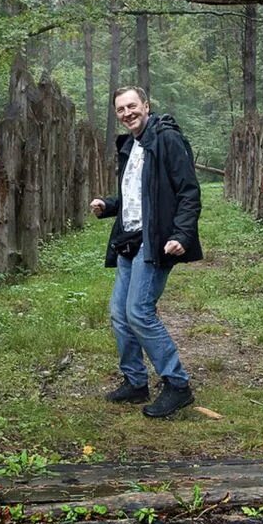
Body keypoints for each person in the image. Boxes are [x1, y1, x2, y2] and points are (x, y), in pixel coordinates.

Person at [90, 86, 202, 418]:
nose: (127, 113)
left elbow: (188, 191)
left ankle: (178, 385)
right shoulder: (131, 144)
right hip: (129, 239)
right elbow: (139, 194)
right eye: (121, 109)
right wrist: (109, 206)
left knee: (139, 312)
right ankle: (136, 381)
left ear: (146, 106)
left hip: (156, 241)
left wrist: (181, 233)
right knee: (120, 314)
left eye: (132, 106)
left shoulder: (167, 139)